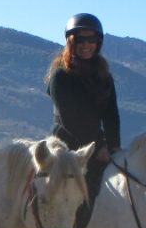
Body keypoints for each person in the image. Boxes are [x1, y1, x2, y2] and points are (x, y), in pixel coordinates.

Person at [45, 13, 120, 210]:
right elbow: (71, 120)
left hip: (95, 144)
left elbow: (111, 115)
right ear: (71, 41)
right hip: (65, 146)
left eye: (92, 39)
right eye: (80, 39)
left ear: (98, 42)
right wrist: (99, 147)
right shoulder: (60, 76)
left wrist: (114, 147)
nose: (86, 44)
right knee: (70, 200)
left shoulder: (104, 76)